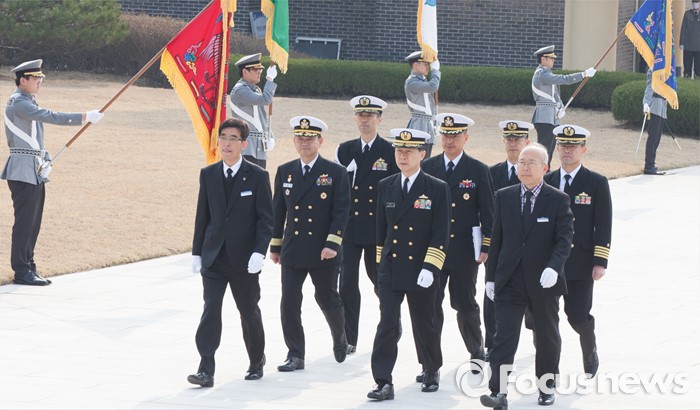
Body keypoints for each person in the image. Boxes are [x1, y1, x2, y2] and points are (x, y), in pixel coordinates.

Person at [480, 144, 573, 409]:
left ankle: (546, 387)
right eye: (522, 162)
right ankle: (498, 391)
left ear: (545, 168)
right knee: (503, 336)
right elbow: (496, 239)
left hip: (543, 281)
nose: (525, 167)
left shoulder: (558, 199)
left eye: (531, 163)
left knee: (546, 336)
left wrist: (554, 268)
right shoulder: (504, 196)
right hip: (510, 280)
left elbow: (564, 240)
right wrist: (490, 278)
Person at [188, 118, 273, 387]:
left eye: (233, 138)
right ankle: (206, 368)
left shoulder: (257, 176)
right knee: (211, 309)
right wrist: (197, 252)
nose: (226, 143)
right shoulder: (209, 174)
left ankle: (256, 360)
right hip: (214, 258)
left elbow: (266, 220)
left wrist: (259, 252)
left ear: (243, 144)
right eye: (223, 137)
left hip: (244, 260)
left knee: (248, 310)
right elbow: (202, 216)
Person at [2, 59, 103, 286]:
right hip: (23, 170)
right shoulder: (19, 102)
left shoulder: (28, 100)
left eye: (41, 78)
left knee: (33, 223)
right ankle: (21, 271)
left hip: (34, 169)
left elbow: (34, 138)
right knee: (25, 223)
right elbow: (50, 116)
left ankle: (29, 266)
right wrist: (84, 116)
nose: (40, 81)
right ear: (23, 80)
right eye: (36, 78)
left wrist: (45, 158)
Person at [367, 128, 450, 401]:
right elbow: (381, 231)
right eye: (399, 151)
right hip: (392, 267)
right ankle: (383, 381)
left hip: (421, 268)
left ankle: (431, 368)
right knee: (387, 324)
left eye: (408, 151)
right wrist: (379, 268)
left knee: (425, 322)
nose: (402, 156)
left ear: (422, 154)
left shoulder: (436, 187)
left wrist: (431, 267)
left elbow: (440, 233)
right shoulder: (386, 185)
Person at [270, 116, 350, 372]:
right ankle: (295, 354)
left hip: (323, 249)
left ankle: (340, 337)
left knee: (327, 298)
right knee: (289, 302)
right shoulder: (285, 170)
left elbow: (341, 211)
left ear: (320, 141)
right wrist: (275, 246)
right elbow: (278, 211)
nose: (305, 143)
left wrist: (332, 244)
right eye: (300, 138)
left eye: (310, 139)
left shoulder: (335, 172)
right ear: (294, 141)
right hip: (293, 248)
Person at [421, 113, 493, 379]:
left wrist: (486, 246)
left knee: (465, 304)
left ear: (466, 137)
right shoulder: (428, 167)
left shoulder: (477, 169)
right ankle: (430, 364)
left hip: (464, 251)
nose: (449, 140)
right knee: (429, 306)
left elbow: (488, 212)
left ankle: (477, 352)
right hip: (433, 251)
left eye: (455, 135)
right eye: (446, 135)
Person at [544, 124, 612, 378]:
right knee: (544, 318)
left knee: (577, 316)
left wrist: (600, 261)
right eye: (563, 145)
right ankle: (549, 366)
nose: (567, 150)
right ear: (556, 148)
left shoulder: (595, 182)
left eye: (573, 146)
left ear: (583, 149)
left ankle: (589, 346)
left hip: (580, 262)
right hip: (549, 262)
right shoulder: (547, 180)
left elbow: (603, 223)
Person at [335, 95, 399, 354]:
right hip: (350, 227)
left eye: (369, 116)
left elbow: (395, 192)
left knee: (380, 281)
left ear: (379, 119)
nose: (364, 120)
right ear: (355, 119)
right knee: (347, 283)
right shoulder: (344, 150)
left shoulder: (390, 151)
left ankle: (392, 324)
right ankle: (349, 337)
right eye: (360, 115)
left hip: (377, 229)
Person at [485, 120, 533, 360]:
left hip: (529, 247)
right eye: (509, 139)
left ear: (527, 142)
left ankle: (538, 333)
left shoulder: (537, 173)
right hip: (499, 246)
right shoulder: (491, 173)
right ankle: (492, 343)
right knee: (492, 294)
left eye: (518, 139)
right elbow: (484, 210)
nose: (513, 144)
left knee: (533, 300)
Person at [531, 45, 596, 167]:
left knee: (549, 150)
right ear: (543, 59)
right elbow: (564, 79)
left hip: (551, 116)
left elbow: (555, 94)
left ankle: (545, 171)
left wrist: (560, 107)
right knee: (544, 151)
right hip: (545, 116)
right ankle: (542, 172)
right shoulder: (542, 74)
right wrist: (583, 74)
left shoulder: (546, 73)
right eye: (551, 58)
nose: (553, 60)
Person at [228, 53, 278, 168]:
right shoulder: (240, 90)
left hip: (259, 146)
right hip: (246, 147)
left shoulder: (255, 89)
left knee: (260, 179)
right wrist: (270, 79)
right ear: (245, 71)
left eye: (260, 69)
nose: (259, 72)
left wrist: (270, 136)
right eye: (256, 69)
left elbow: (262, 118)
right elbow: (266, 100)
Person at [404, 51, 441, 158]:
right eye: (425, 64)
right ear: (415, 65)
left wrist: (435, 123)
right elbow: (433, 86)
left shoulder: (422, 79)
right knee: (418, 159)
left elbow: (430, 105)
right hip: (419, 124)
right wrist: (435, 70)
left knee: (426, 158)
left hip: (427, 123)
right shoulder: (411, 82)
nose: (428, 67)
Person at [642, 67, 669, 175]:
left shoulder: (666, 69)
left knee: (657, 138)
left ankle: (652, 163)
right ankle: (648, 166)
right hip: (654, 106)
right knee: (653, 137)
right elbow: (649, 87)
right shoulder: (653, 69)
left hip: (662, 106)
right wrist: (646, 103)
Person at [680, 0, 700, 79]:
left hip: (698, 46)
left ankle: (697, 77)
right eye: (694, 3)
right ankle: (687, 76)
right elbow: (683, 29)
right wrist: (681, 43)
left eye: (697, 3)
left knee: (698, 67)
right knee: (687, 65)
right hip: (688, 45)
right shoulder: (687, 14)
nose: (695, 4)